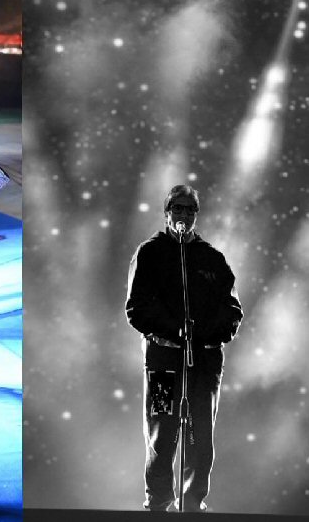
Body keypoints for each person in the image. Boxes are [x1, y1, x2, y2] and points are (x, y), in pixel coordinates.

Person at [125, 185, 243, 513]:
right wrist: (171, 331)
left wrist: (208, 334)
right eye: (178, 208)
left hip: (203, 362)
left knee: (200, 435)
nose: (184, 215)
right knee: (162, 432)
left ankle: (193, 502)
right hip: (163, 359)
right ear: (167, 212)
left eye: (190, 209)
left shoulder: (212, 259)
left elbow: (232, 309)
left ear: (196, 215)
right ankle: (158, 501)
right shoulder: (150, 253)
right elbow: (136, 307)